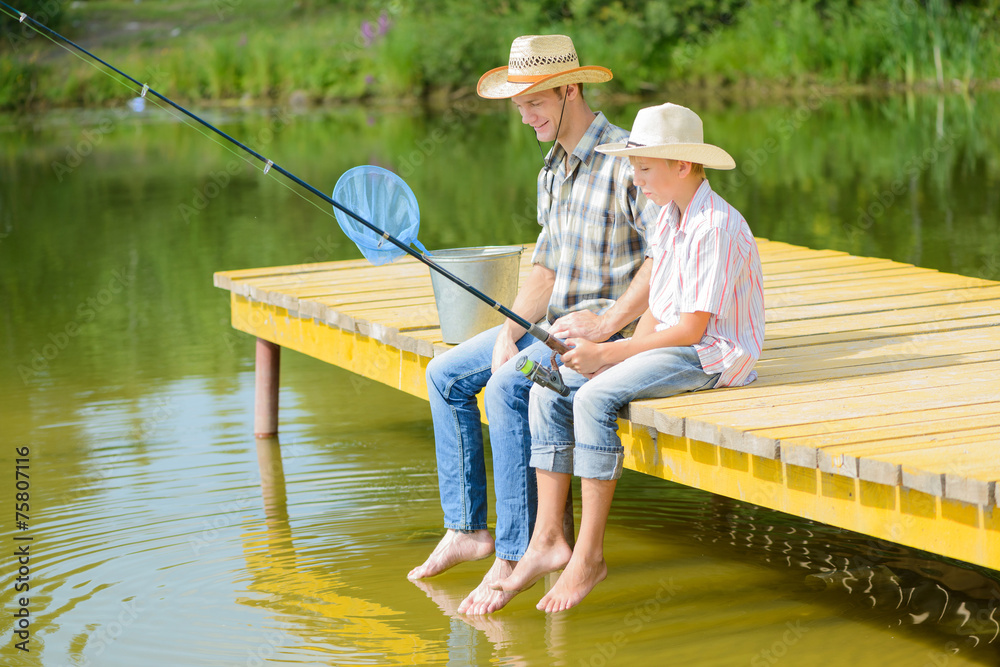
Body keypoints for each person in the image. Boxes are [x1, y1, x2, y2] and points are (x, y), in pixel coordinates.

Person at [407, 34, 660, 615]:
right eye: (518, 106)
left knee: (506, 387)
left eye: (534, 103)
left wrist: (609, 324)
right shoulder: (551, 167)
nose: (525, 118)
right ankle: (469, 530)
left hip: (603, 337)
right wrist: (507, 331)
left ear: (570, 89)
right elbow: (544, 266)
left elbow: (661, 257)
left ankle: (519, 551)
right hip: (548, 325)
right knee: (445, 372)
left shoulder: (626, 160)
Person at [495, 102, 766, 612]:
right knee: (547, 389)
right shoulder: (669, 217)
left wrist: (608, 354)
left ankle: (590, 557)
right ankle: (548, 539)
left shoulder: (715, 226)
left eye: (643, 168)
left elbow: (692, 328)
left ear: (681, 166)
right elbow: (659, 307)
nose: (635, 178)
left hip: (713, 355)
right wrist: (612, 354)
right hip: (677, 341)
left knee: (594, 398)